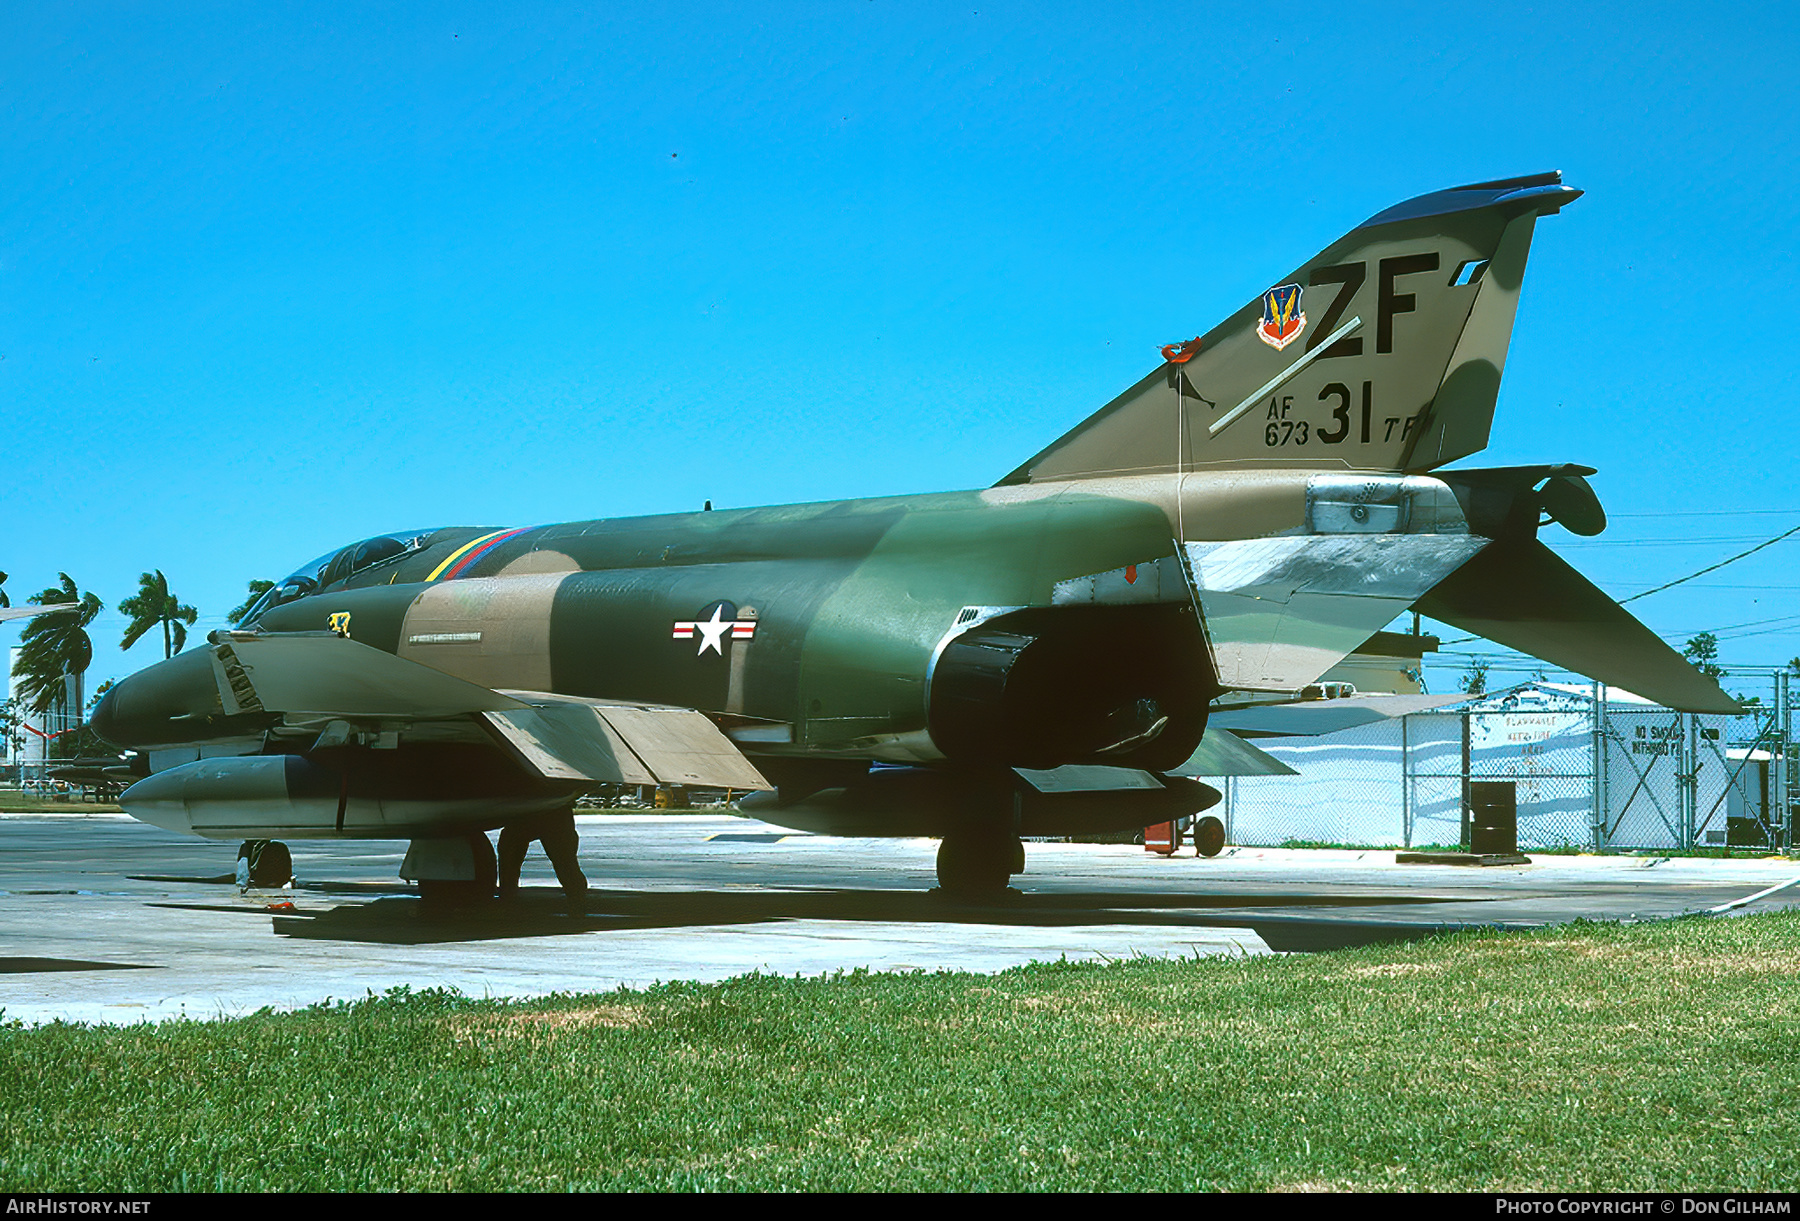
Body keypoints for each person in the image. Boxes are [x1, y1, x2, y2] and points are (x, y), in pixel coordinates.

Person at [497, 806, 589, 904]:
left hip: (527, 812)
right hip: (552, 812)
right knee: (566, 864)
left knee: (566, 864)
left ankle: (506, 901)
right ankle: (578, 902)